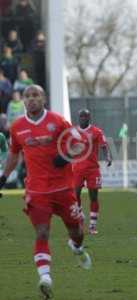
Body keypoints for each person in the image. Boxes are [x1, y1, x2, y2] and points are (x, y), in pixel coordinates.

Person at [0, 85, 92, 299]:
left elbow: (79, 145)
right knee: (42, 232)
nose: (31, 99)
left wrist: (66, 156)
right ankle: (45, 278)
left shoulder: (58, 121)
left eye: (36, 95)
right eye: (27, 96)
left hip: (63, 189)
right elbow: (14, 155)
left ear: (44, 99)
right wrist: (3, 178)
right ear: (23, 101)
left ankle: (76, 248)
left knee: (77, 232)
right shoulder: (17, 126)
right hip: (37, 190)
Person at [73, 109, 112, 235]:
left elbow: (104, 145)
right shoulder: (73, 131)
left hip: (92, 169)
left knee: (93, 197)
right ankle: (79, 218)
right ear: (78, 117)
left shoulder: (96, 131)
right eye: (81, 116)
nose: (83, 118)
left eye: (85, 116)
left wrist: (108, 156)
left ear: (89, 118)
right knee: (75, 195)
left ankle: (92, 225)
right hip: (77, 168)